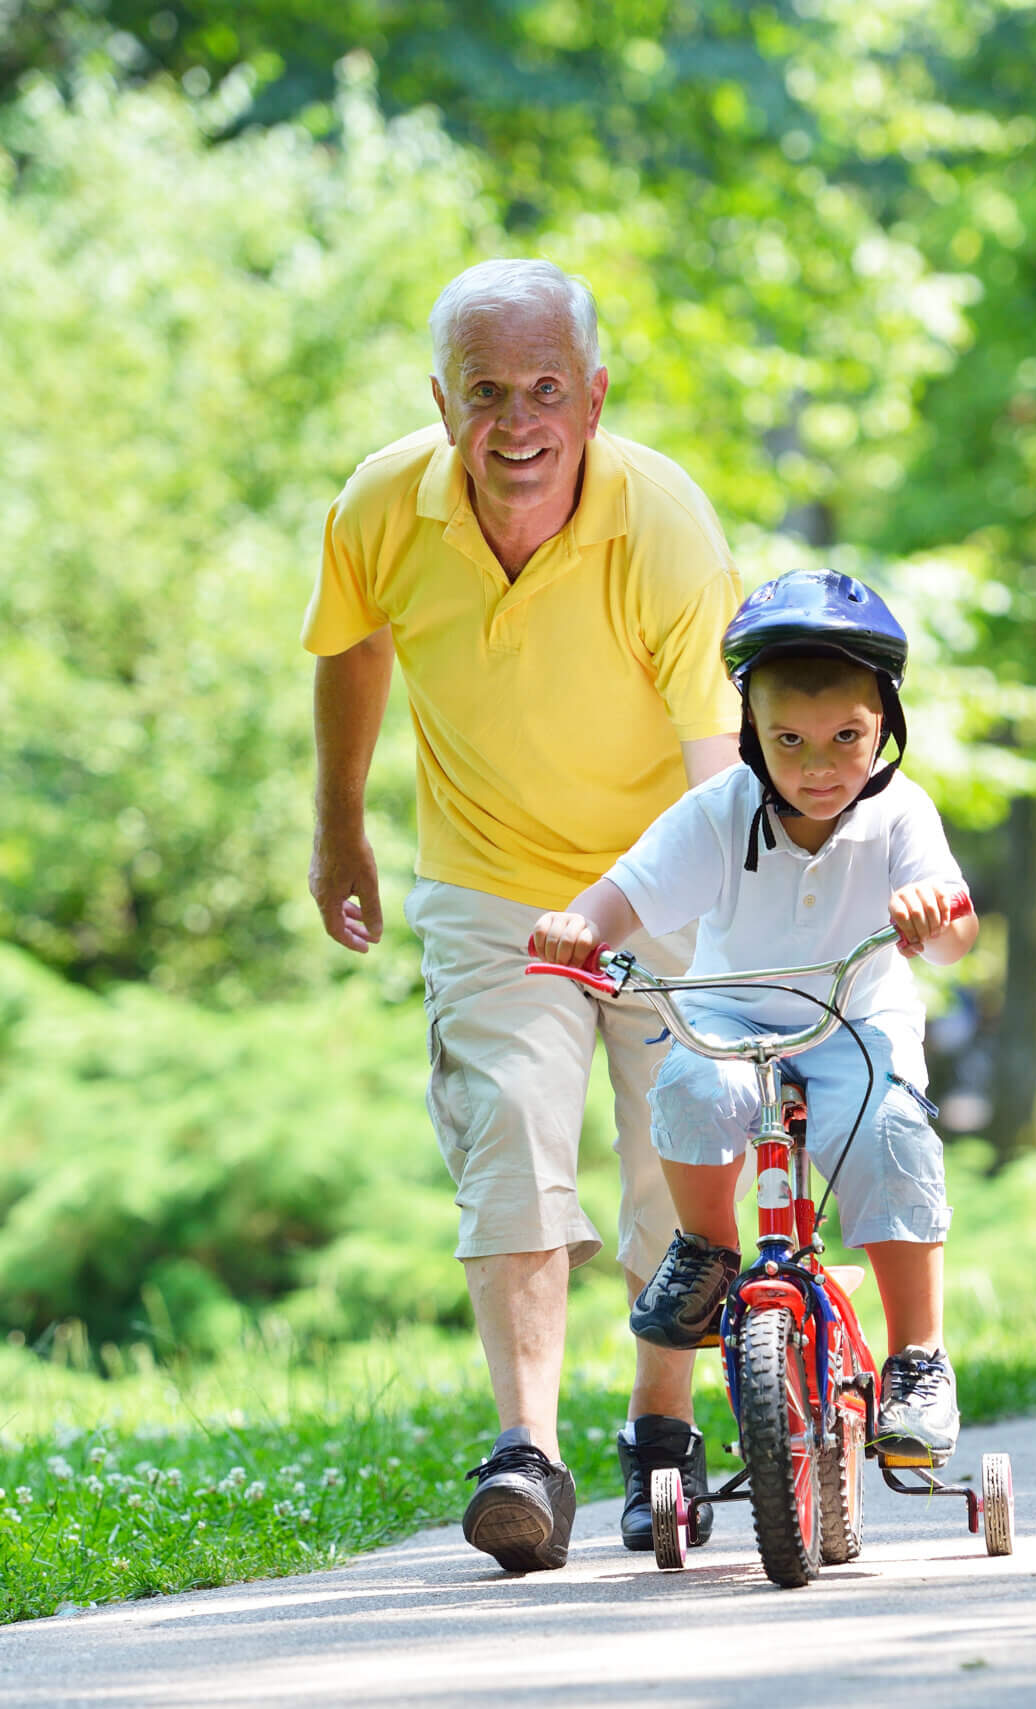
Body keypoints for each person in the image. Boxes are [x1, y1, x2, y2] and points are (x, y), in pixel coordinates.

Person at [303, 258, 744, 1572]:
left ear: (594, 396)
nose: (517, 422)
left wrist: (702, 935)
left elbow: (716, 772)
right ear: (442, 401)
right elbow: (353, 643)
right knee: (507, 1131)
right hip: (492, 878)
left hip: (665, 872)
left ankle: (662, 1432)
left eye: (546, 387)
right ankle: (526, 1453)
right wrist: (340, 825)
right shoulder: (385, 504)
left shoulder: (663, 526)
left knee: (682, 1166)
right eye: (487, 390)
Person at [526, 569, 980, 1462]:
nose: (820, 766)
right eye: (790, 741)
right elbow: (623, 895)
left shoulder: (899, 814)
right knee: (692, 1085)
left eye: (847, 737)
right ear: (751, 738)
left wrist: (936, 920)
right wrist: (580, 924)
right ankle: (708, 1250)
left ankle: (918, 1354)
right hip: (732, 1015)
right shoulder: (718, 812)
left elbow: (957, 931)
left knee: (889, 1129)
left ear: (883, 726)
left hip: (858, 1018)